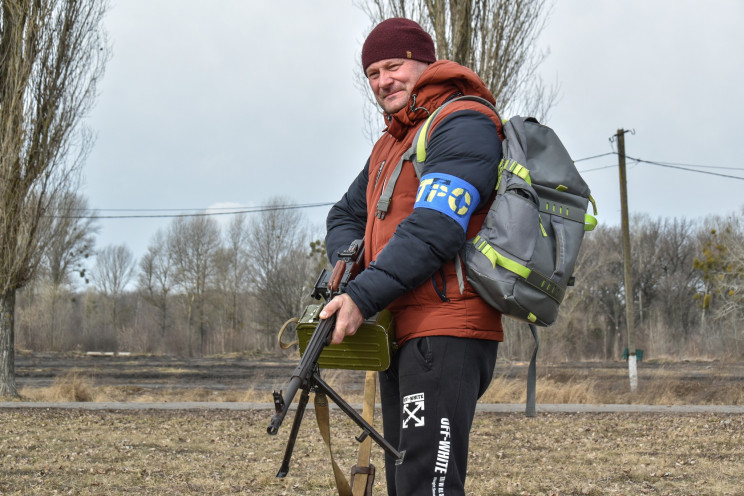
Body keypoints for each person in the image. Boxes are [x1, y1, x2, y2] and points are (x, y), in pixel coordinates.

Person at [321, 17, 504, 496]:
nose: (384, 81)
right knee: (406, 479)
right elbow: (345, 214)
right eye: (373, 74)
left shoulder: (464, 122)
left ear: (424, 62)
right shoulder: (391, 142)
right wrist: (342, 272)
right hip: (404, 329)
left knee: (429, 483)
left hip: (448, 328)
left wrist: (360, 295)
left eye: (393, 66)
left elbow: (437, 228)